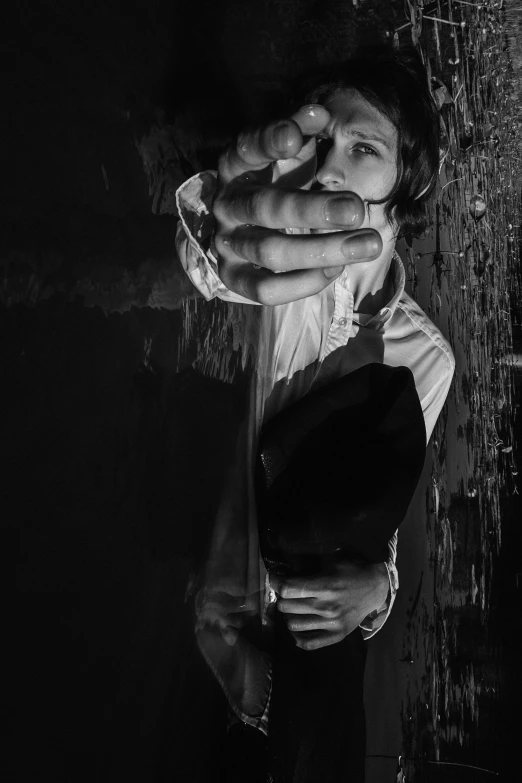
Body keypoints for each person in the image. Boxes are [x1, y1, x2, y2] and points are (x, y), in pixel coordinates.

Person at [174, 45, 455, 780]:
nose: (329, 165)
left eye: (363, 148)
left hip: (303, 670)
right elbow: (219, 263)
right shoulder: (285, 267)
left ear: (405, 186)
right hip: (215, 632)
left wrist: (377, 592)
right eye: (320, 140)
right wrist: (211, 225)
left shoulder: (428, 360)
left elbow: (377, 520)